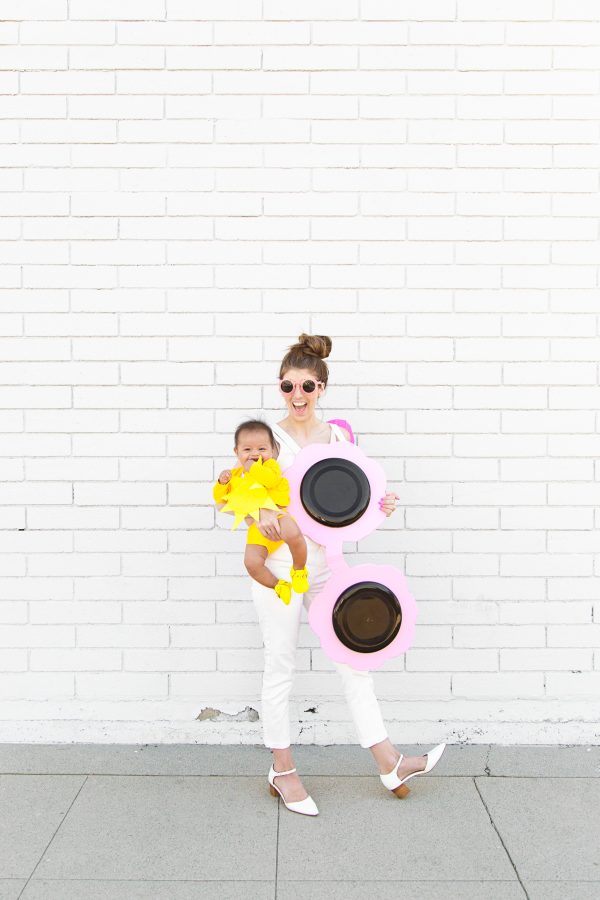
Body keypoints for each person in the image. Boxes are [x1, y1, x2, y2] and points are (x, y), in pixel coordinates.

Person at [214, 332, 446, 816]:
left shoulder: (339, 437)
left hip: (328, 567)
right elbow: (239, 490)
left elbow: (348, 504)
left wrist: (380, 505)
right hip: (279, 565)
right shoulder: (267, 438)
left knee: (352, 660)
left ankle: (390, 761)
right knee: (281, 664)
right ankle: (282, 769)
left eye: (307, 386)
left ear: (322, 388)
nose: (297, 396)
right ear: (280, 388)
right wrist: (257, 510)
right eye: (287, 386)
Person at [212, 419, 309, 606]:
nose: (255, 454)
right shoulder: (235, 474)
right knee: (252, 563)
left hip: (279, 516)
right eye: (247, 450)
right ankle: (279, 585)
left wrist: (254, 468)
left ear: (272, 451)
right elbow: (222, 500)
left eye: (262, 449)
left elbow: (270, 481)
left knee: (295, 535)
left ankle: (299, 570)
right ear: (237, 452)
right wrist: (222, 483)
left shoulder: (271, 466)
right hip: (257, 526)